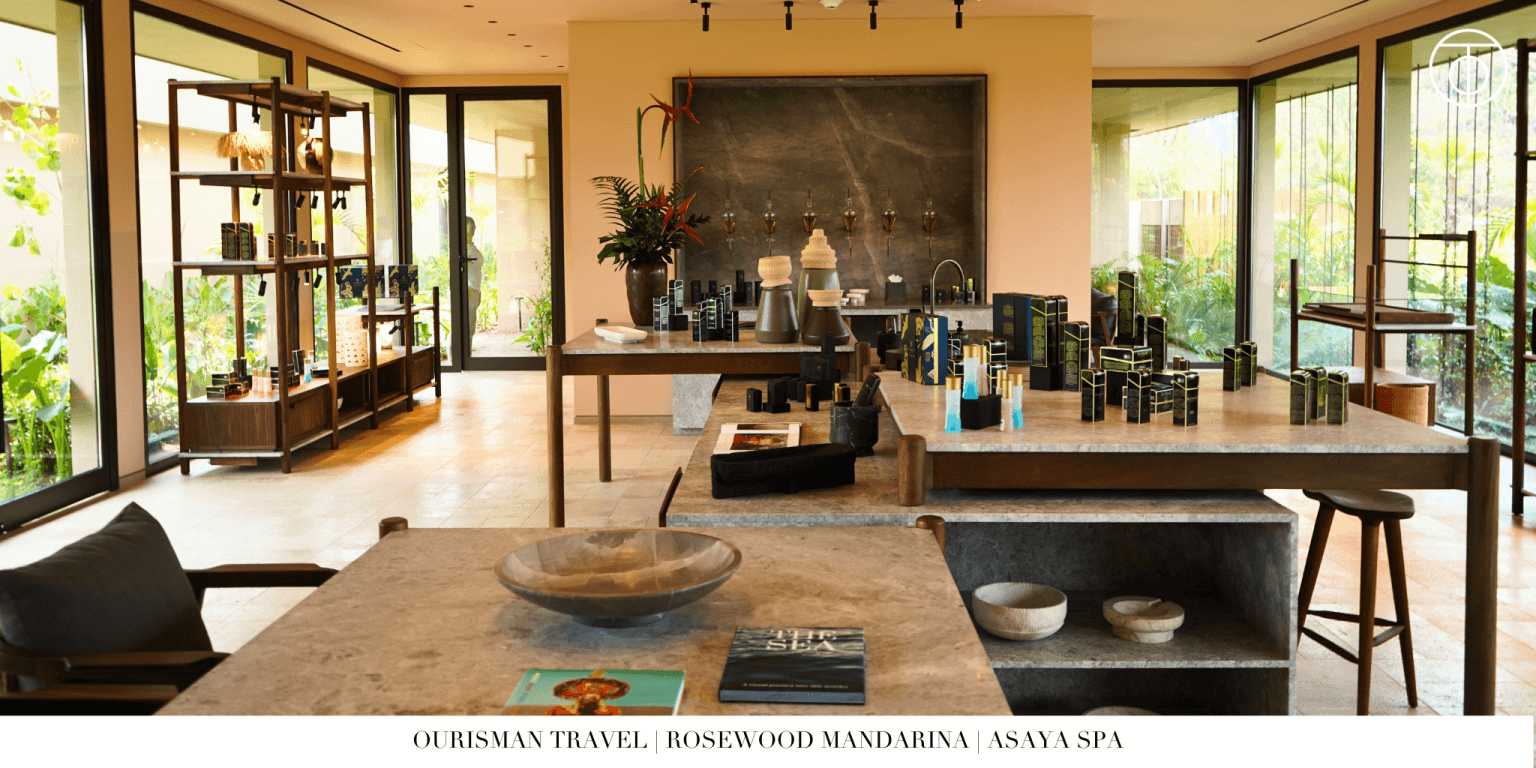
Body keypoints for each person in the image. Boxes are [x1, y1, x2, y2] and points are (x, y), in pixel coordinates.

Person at [465, 217, 484, 348]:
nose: (473, 230)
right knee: (466, 329)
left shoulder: (472, 248)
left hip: (474, 292)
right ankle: (463, 355)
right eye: (471, 227)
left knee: (471, 329)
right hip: (467, 291)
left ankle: (468, 354)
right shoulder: (460, 249)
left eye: (474, 227)